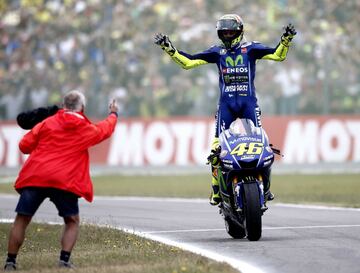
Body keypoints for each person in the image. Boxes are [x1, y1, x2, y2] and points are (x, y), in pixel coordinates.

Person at [154, 14, 296, 205]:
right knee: (216, 150)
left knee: (263, 145)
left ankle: (266, 188)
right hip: (226, 106)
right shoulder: (216, 52)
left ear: (240, 32)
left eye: (231, 32)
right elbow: (188, 63)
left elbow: (278, 55)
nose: (228, 36)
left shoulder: (251, 48)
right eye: (224, 33)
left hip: (249, 104)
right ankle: (216, 190)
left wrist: (285, 40)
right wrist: (169, 49)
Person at [3, 90, 119, 271]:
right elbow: (105, 130)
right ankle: (64, 261)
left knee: (22, 219)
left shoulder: (47, 123)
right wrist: (113, 114)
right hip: (65, 180)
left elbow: (24, 145)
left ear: (63, 105)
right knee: (71, 221)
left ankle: (10, 262)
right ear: (83, 108)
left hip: (36, 176)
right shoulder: (85, 128)